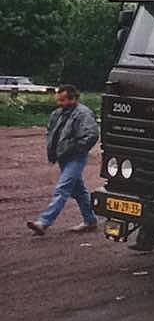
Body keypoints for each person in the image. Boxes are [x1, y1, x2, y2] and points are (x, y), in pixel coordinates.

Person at [27, 84, 100, 235]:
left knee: (62, 188)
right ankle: (90, 220)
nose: (59, 103)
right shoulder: (58, 113)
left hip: (76, 157)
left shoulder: (83, 114)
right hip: (63, 157)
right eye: (58, 100)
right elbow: (52, 132)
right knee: (79, 191)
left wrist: (74, 148)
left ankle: (43, 222)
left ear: (73, 99)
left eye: (62, 100)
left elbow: (91, 135)